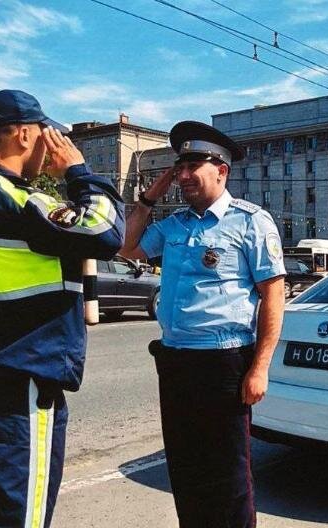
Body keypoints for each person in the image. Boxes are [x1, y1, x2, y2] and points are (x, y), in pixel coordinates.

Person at [0, 89, 125, 527]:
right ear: (23, 134)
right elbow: (105, 231)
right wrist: (78, 171)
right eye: (47, 134)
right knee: (21, 517)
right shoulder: (15, 200)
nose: (50, 144)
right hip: (19, 391)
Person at [120, 120, 286, 527]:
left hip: (225, 364)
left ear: (221, 171)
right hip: (176, 363)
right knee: (186, 468)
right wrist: (146, 199)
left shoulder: (251, 222)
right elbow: (127, 247)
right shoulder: (173, 226)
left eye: (194, 166)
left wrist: (260, 367)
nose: (183, 176)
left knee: (228, 474)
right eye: (180, 168)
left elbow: (273, 296)